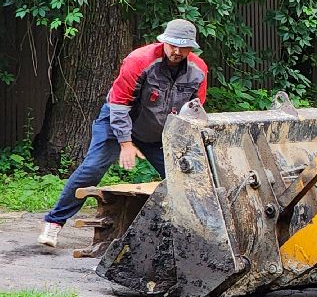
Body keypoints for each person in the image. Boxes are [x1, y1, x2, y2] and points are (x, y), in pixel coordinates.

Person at [37, 19, 208, 248]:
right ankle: (54, 222)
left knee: (185, 175)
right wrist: (125, 143)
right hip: (116, 121)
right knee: (93, 167)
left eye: (183, 47)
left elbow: (193, 112)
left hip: (155, 129)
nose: (176, 52)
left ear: (192, 47)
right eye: (172, 45)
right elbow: (118, 106)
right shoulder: (139, 60)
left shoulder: (199, 71)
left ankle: (195, 235)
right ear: (163, 41)